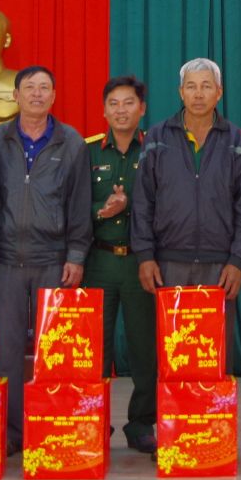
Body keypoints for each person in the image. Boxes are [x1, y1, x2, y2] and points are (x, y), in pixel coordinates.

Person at [0, 65, 91, 456]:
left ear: (54, 96)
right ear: (15, 96)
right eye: (29, 87)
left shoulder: (72, 143)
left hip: (53, 260)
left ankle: (50, 426)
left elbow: (79, 204)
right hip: (6, 261)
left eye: (44, 87)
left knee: (54, 350)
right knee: (8, 351)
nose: (36, 94)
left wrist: (76, 255)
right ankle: (13, 431)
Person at [132, 58, 241, 306]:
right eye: (191, 86)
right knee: (171, 333)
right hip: (167, 265)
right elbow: (143, 201)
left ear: (219, 92)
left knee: (215, 334)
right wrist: (144, 256)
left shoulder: (236, 140)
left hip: (220, 267)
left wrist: (238, 260)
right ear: (181, 92)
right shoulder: (157, 137)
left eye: (206, 86)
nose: (198, 94)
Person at [82, 75, 158, 454]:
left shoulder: (155, 152)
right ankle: (94, 421)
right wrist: (103, 209)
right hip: (98, 261)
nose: (121, 110)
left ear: (142, 108)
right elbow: (72, 206)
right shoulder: (88, 152)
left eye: (129, 103)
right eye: (114, 103)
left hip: (140, 263)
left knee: (145, 348)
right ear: (104, 110)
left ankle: (141, 424)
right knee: (94, 348)